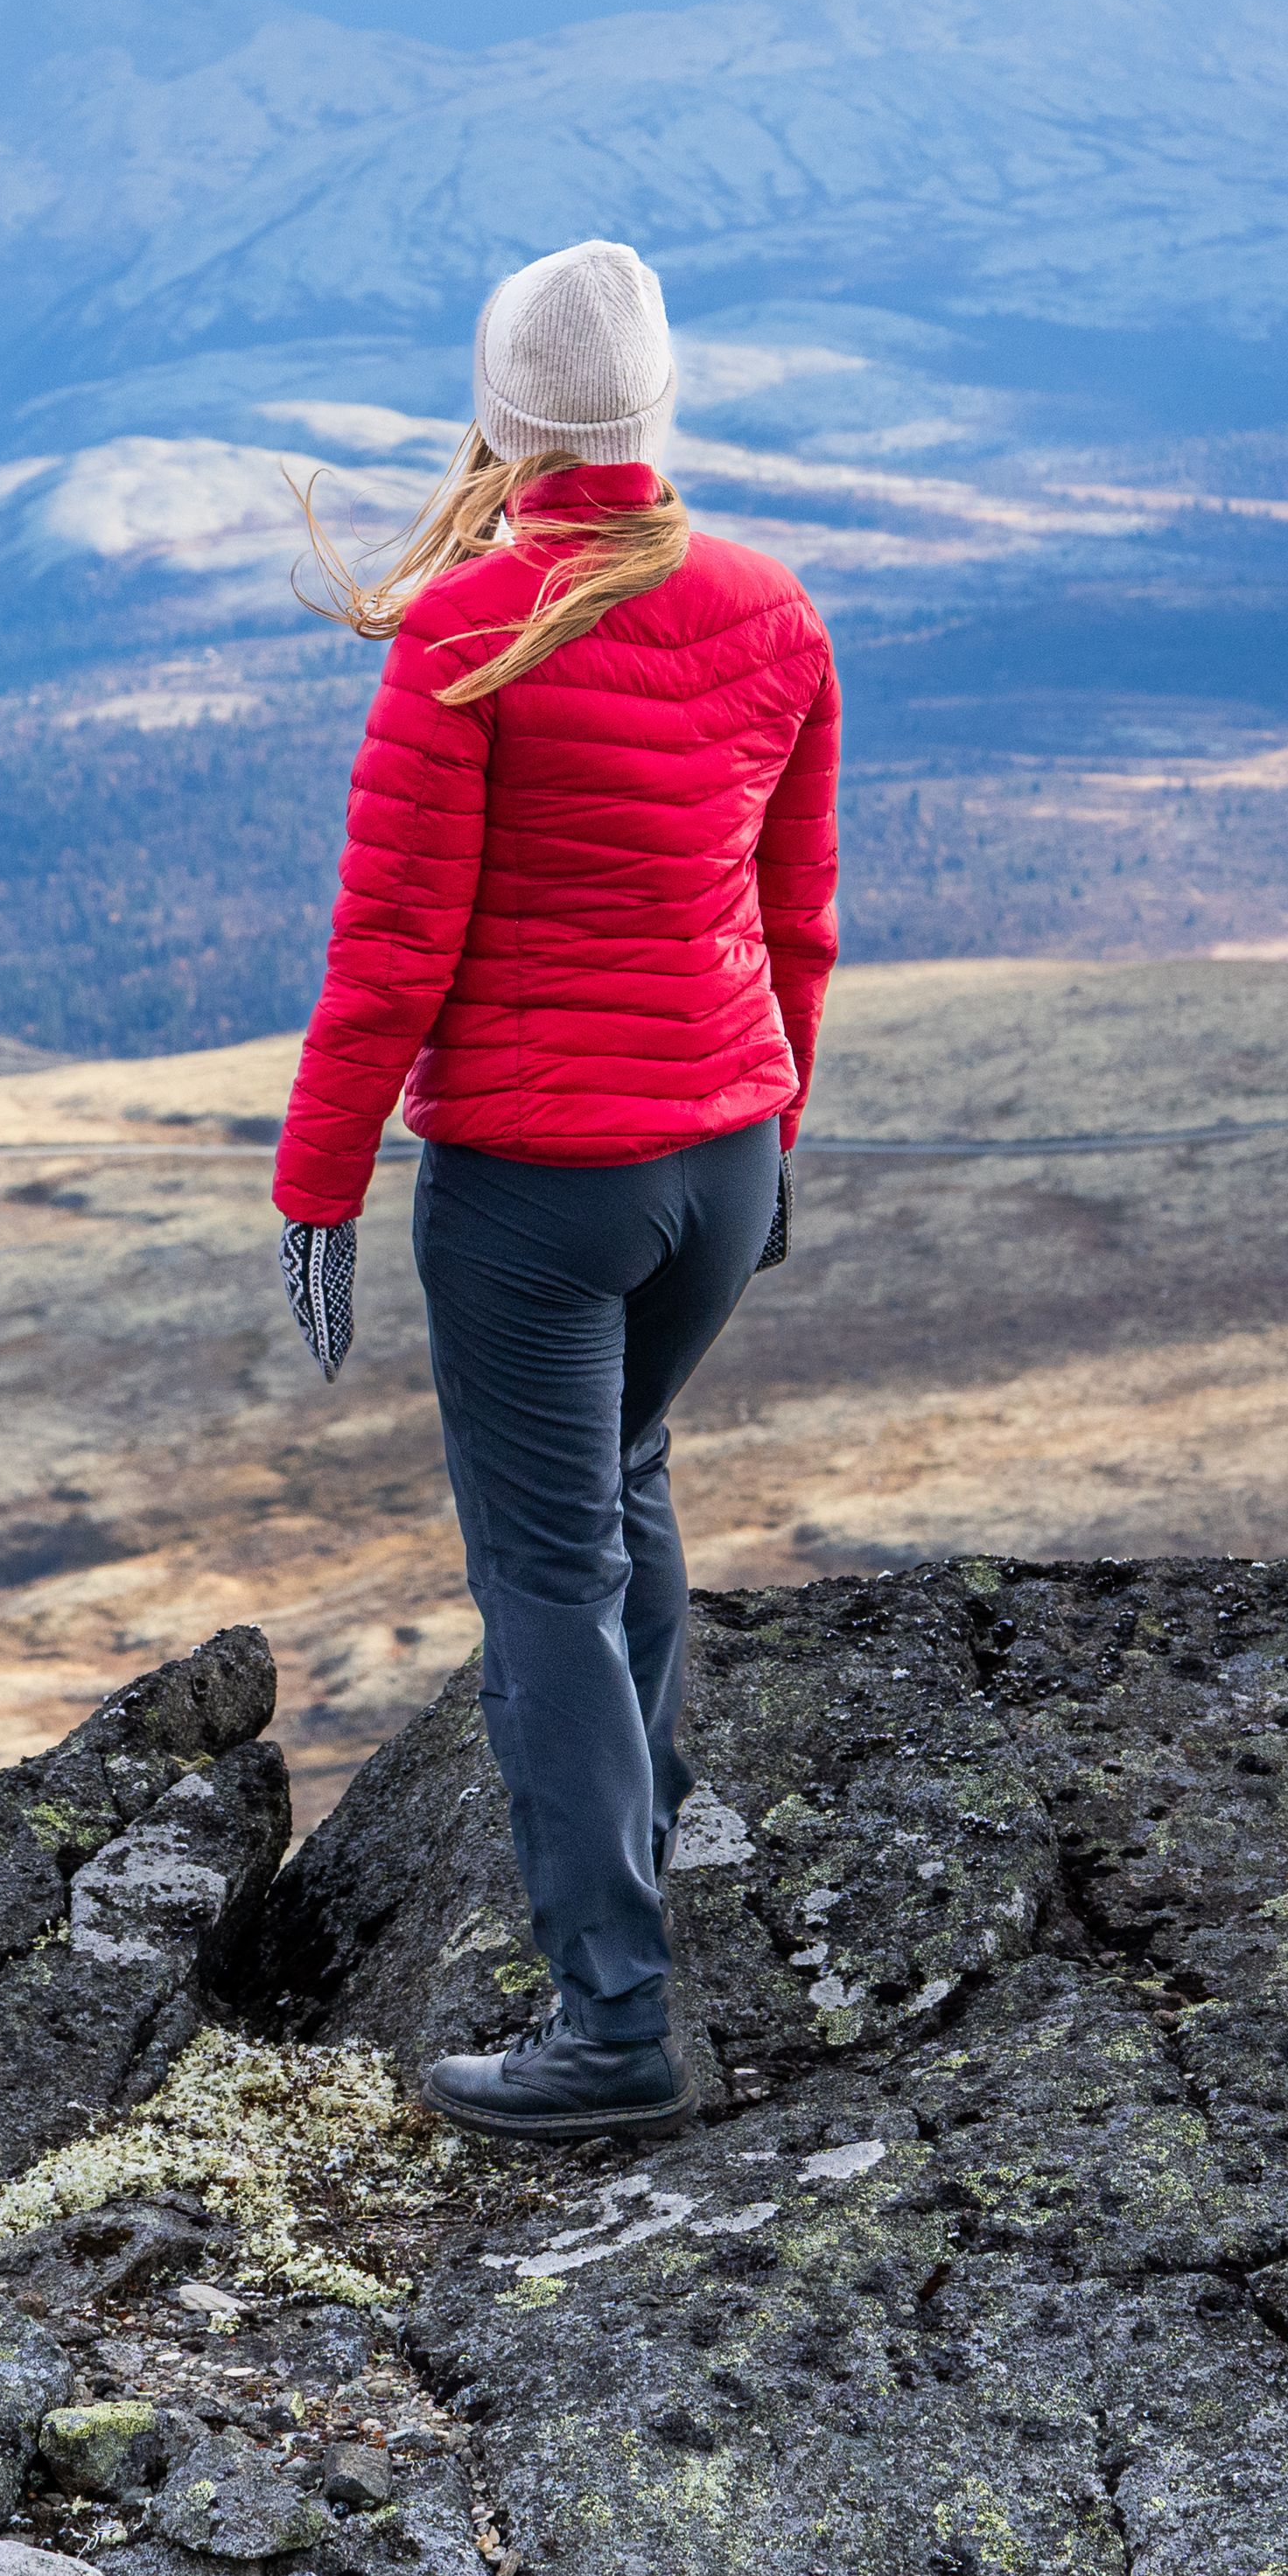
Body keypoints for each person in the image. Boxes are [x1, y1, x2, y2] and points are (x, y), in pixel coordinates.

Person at [268, 235, 842, 2142]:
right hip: (719, 1158)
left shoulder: (466, 633)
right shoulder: (776, 610)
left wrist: (317, 1191)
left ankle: (611, 2022)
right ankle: (644, 1835)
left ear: (499, 422)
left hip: (535, 1188)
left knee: (542, 1577)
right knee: (629, 1484)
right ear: (655, 408)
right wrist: (776, 1140)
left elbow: (390, 954)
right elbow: (796, 922)